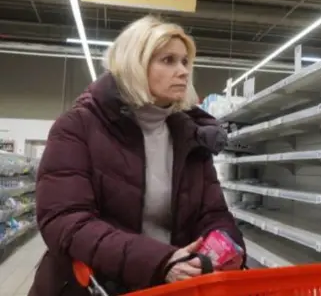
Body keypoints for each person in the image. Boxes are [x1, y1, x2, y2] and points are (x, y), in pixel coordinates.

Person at [28, 16, 245, 296]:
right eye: (168, 60)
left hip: (167, 287)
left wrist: (228, 248)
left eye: (185, 61)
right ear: (135, 65)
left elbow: (212, 213)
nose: (183, 71)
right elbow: (65, 220)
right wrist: (158, 261)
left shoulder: (190, 136)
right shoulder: (78, 127)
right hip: (90, 286)